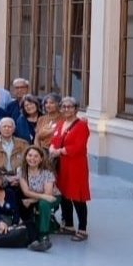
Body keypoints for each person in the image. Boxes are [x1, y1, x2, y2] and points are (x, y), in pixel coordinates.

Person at [49, 96, 91, 242]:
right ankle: (68, 225)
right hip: (62, 165)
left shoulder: (81, 126)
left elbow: (79, 147)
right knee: (64, 194)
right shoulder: (61, 124)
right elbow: (54, 140)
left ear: (76, 109)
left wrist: (59, 151)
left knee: (77, 196)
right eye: (64, 106)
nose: (66, 109)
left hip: (75, 165)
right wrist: (53, 148)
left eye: (70, 106)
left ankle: (83, 229)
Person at [0, 168, 51, 251]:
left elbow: (15, 210)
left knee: (29, 223)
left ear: (2, 179)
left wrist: (15, 222)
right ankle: (20, 240)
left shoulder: (9, 193)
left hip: (7, 220)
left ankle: (35, 243)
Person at [19, 146, 62, 246]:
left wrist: (32, 200)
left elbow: (48, 194)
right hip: (42, 196)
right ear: (25, 156)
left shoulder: (47, 172)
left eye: (36, 156)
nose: (32, 159)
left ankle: (44, 235)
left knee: (43, 204)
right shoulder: (22, 171)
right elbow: (26, 192)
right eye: (29, 155)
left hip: (53, 197)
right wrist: (35, 198)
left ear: (41, 159)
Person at [0, 118, 29, 187]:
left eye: (9, 127)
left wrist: (19, 178)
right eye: (4, 126)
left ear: (14, 129)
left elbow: (27, 164)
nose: (7, 129)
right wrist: (5, 179)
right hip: (0, 179)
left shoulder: (23, 144)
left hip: (20, 178)